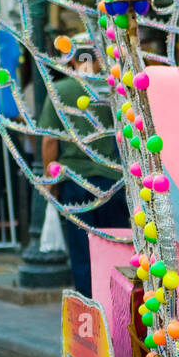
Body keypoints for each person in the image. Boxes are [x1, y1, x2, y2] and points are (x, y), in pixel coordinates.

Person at [39, 35, 128, 297]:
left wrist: (51, 182)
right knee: (114, 248)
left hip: (73, 181)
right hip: (111, 183)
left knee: (81, 252)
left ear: (72, 58)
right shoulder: (111, 90)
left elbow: (48, 142)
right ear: (98, 59)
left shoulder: (60, 90)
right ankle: (116, 306)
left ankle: (90, 312)